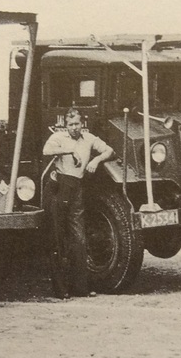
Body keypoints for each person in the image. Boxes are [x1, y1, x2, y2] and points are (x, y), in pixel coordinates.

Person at [43, 108, 114, 298]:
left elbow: (109, 150)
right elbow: (46, 150)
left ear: (82, 124)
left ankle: (80, 288)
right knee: (57, 238)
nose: (74, 128)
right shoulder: (59, 137)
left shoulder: (88, 138)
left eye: (77, 124)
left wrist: (96, 160)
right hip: (59, 187)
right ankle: (61, 289)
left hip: (76, 188)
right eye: (70, 124)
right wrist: (68, 150)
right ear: (65, 125)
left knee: (79, 239)